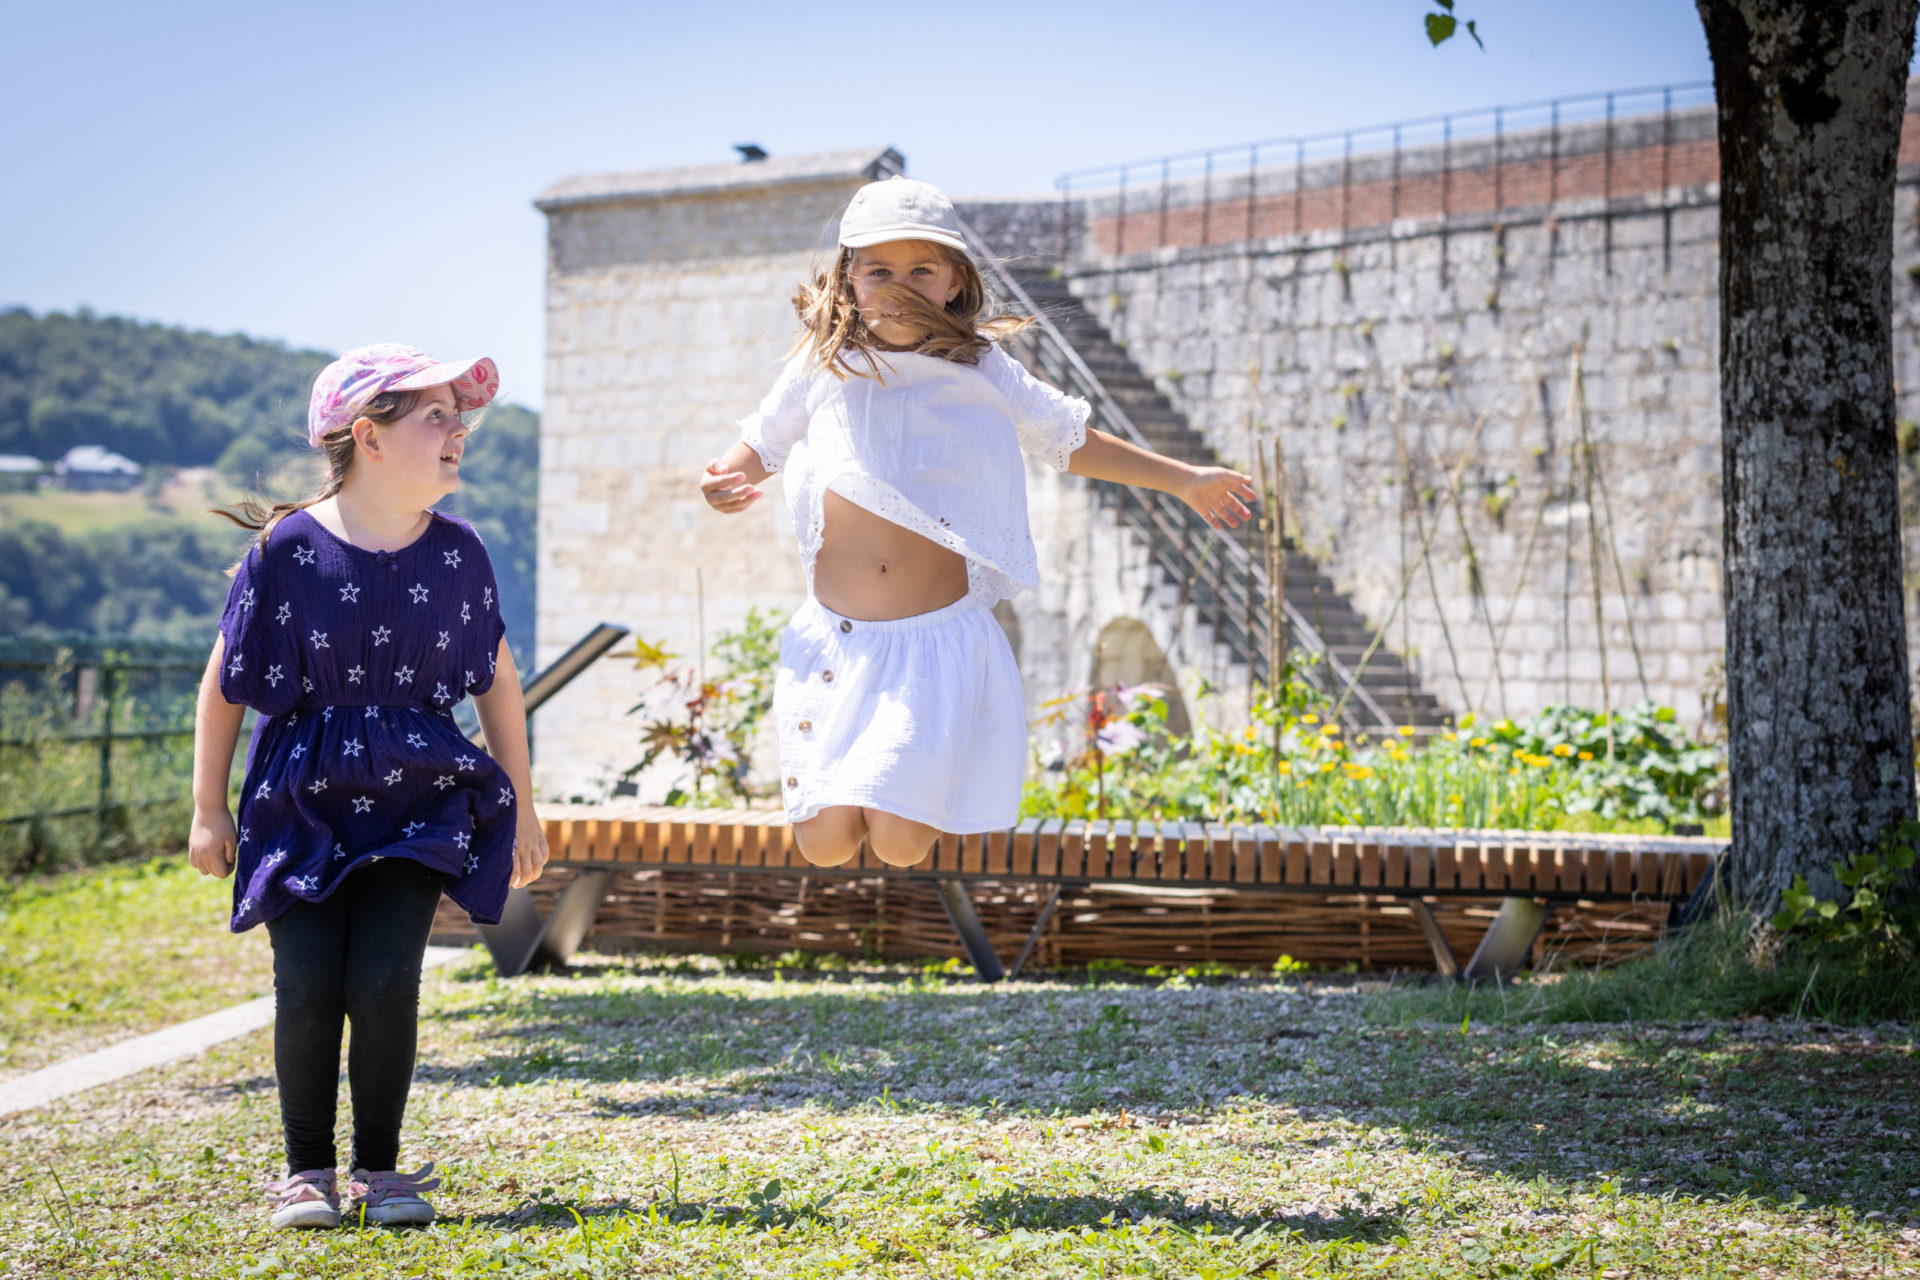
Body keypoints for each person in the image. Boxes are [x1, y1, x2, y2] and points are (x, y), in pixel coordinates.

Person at [700, 176, 1256, 867]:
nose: (899, 283)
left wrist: (1185, 480)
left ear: (954, 282)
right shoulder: (825, 364)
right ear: (849, 280)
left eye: (920, 269)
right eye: (879, 270)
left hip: (933, 645)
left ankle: (932, 762)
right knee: (825, 846)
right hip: (838, 645)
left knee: (901, 843)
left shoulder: (983, 369)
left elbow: (1069, 440)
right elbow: (763, 441)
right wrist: (726, 479)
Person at [186, 344, 549, 1229]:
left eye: (460, 415)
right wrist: (206, 808)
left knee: (385, 981)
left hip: (422, 795)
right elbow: (224, 679)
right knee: (310, 985)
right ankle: (305, 1172)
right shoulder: (286, 549)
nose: (459, 429)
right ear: (368, 437)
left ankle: (379, 1174)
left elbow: (495, 677)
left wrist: (525, 806)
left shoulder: (462, 553)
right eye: (435, 415)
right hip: (298, 799)